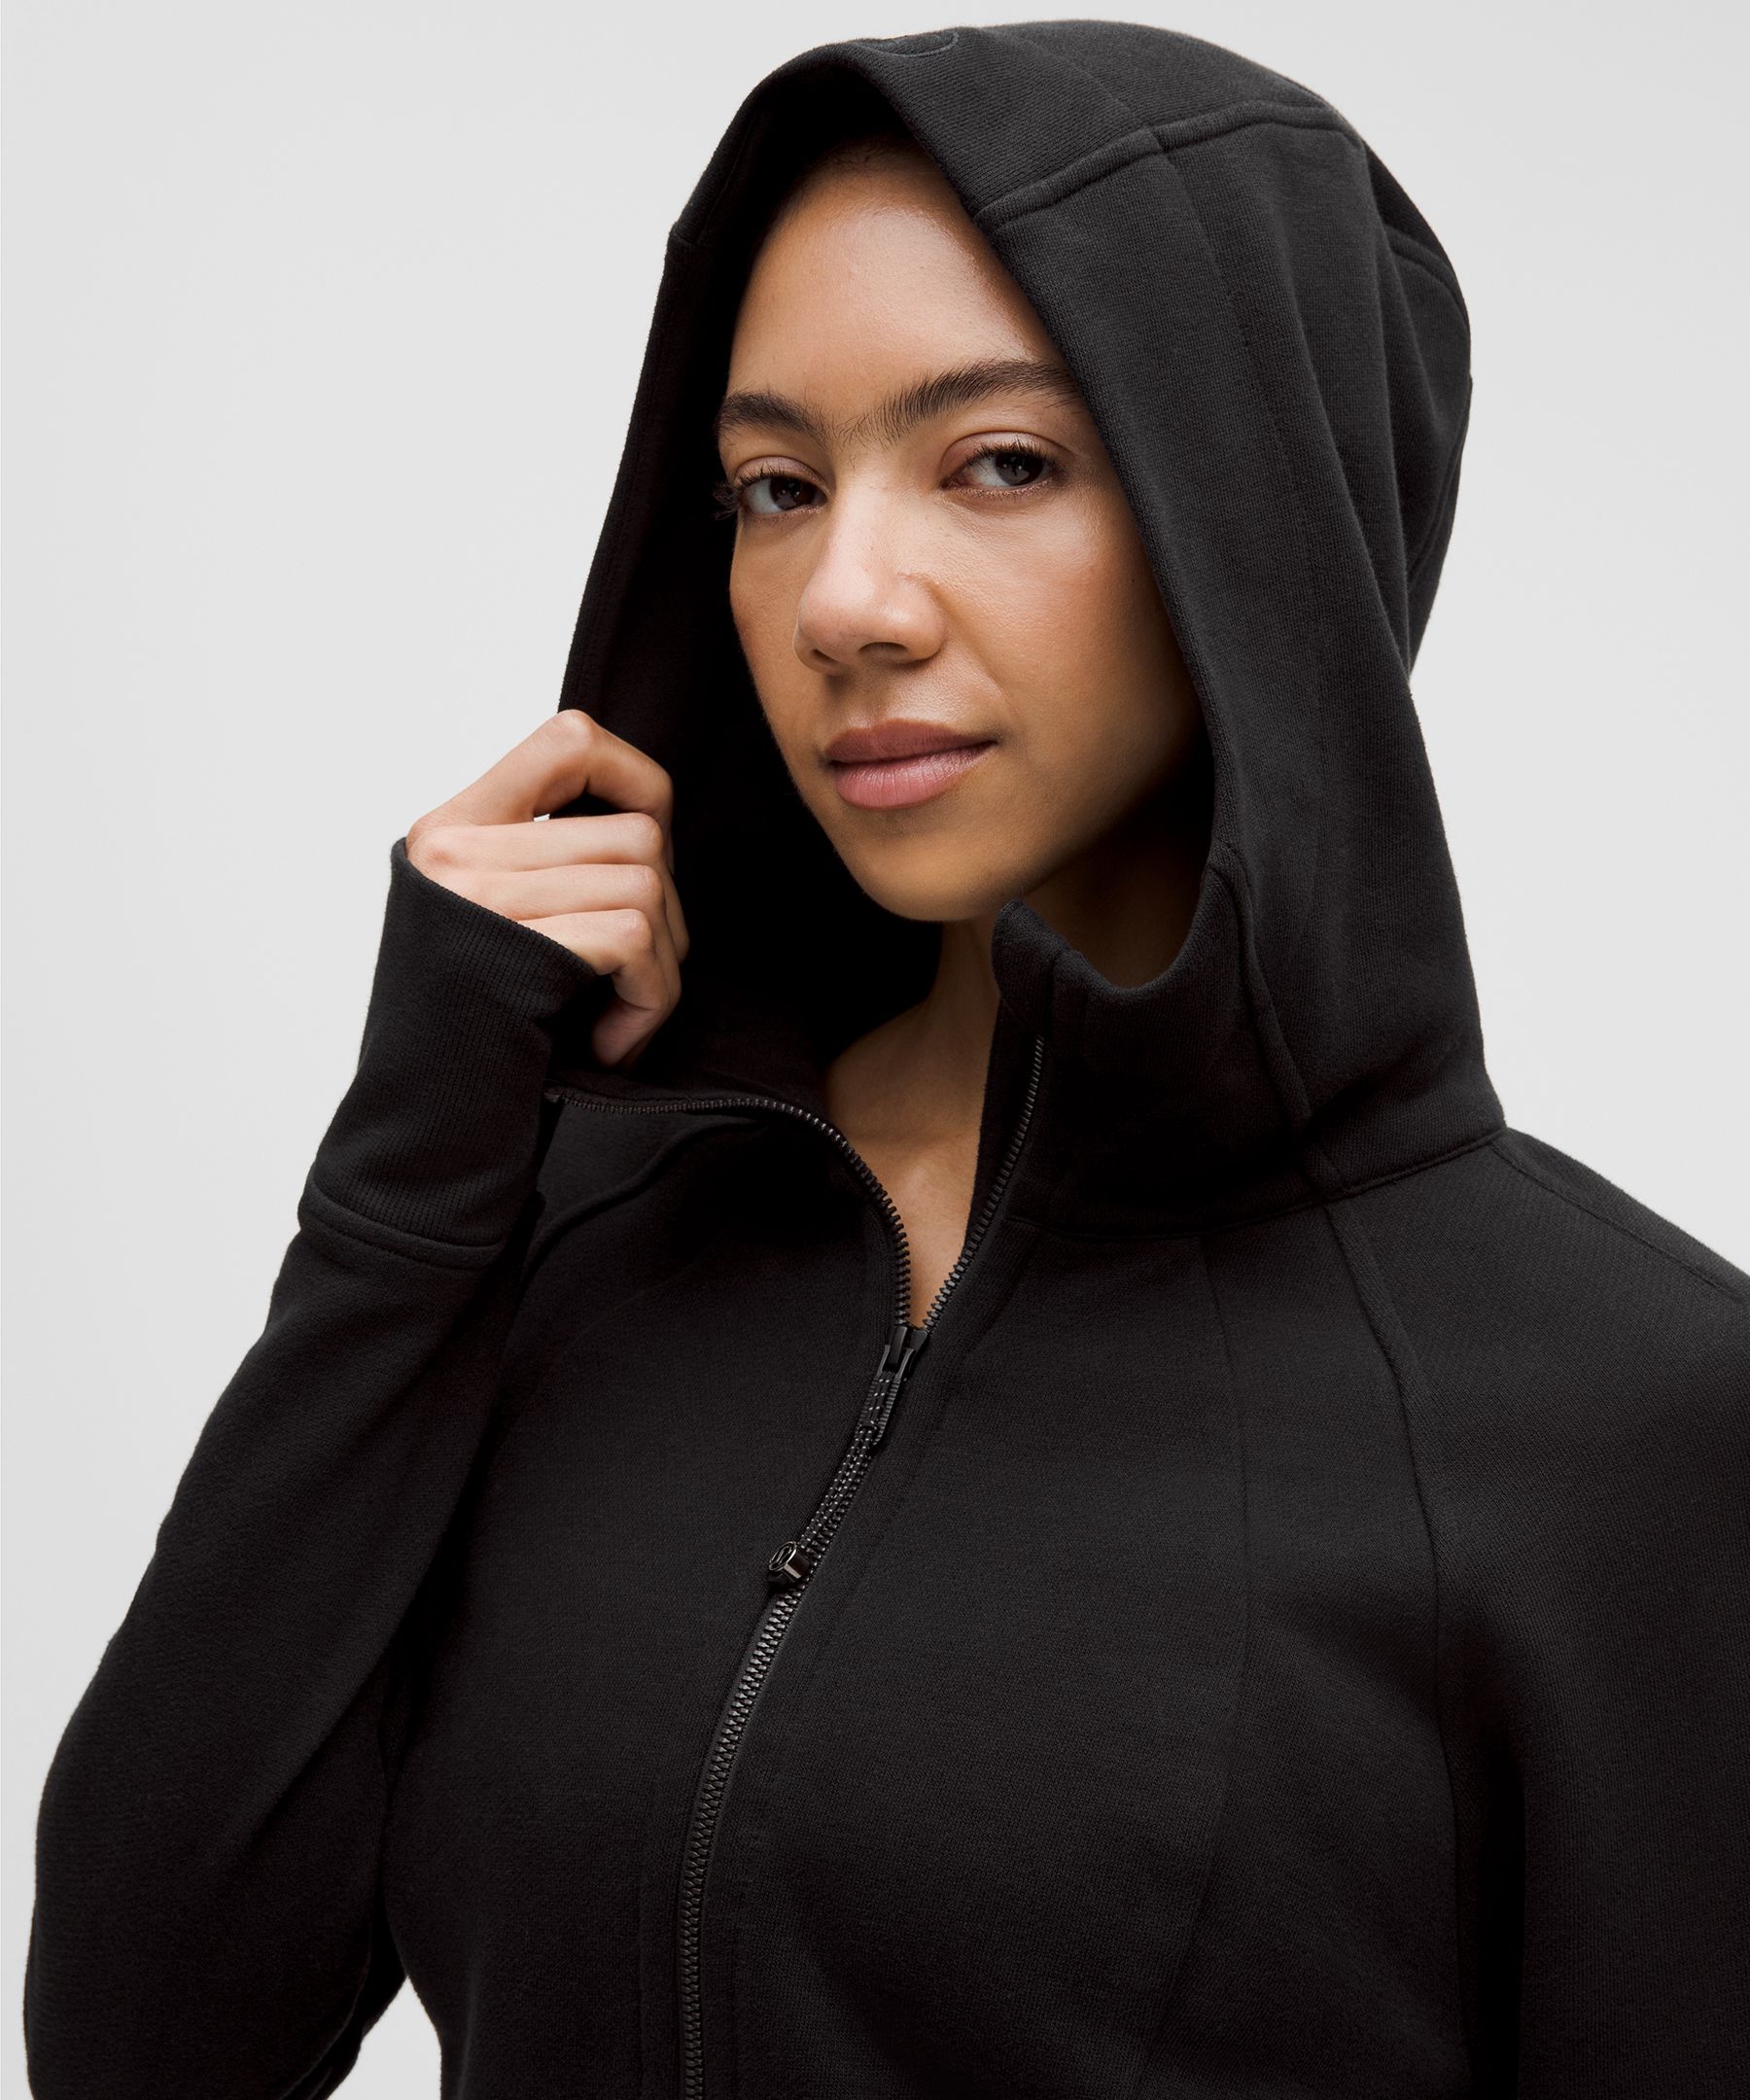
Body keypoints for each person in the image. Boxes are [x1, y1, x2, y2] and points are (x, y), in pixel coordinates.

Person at [22, 21, 1749, 2099]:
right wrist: (418, 1171)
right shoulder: (564, 1241)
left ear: (1261, 516)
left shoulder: (1635, 1421)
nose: (843, 598)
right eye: (774, 487)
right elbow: (144, 2039)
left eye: (1001, 462)